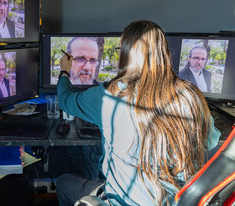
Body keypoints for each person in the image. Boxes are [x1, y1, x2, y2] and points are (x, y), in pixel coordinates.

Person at [56, 20, 220, 206]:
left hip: (123, 201)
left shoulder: (109, 95)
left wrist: (64, 71)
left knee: (63, 183)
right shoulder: (191, 96)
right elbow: (210, 142)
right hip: (175, 201)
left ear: (126, 53)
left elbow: (65, 100)